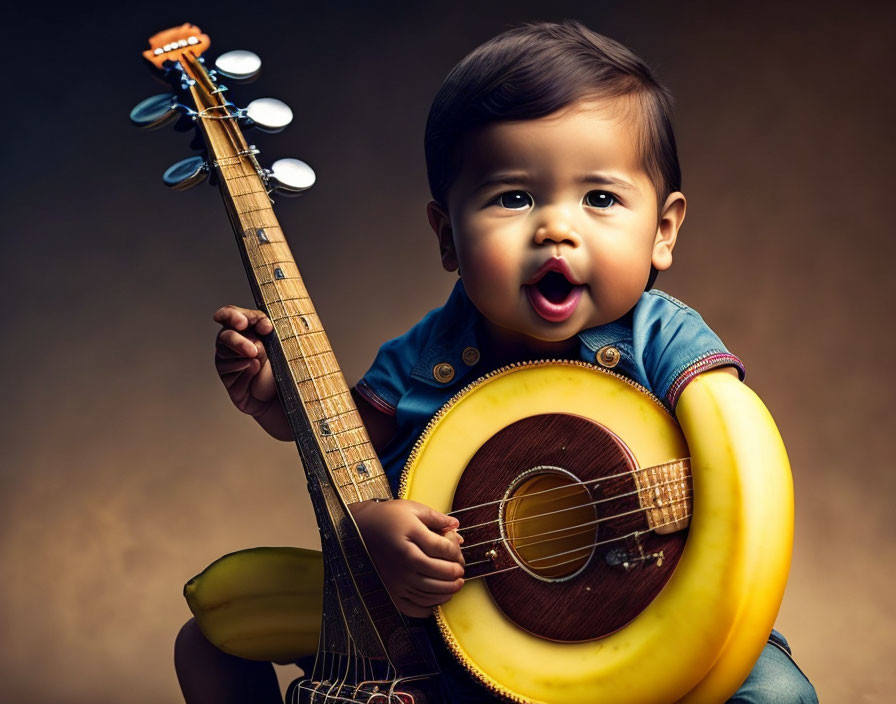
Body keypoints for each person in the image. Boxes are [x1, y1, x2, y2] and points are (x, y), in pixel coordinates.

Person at [176, 20, 818, 704]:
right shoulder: (428, 355)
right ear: (448, 238)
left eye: (599, 198)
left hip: (648, 625)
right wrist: (289, 413)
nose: (556, 229)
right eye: (514, 198)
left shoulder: (665, 343)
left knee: (777, 697)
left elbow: (742, 460)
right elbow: (346, 450)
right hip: (463, 643)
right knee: (206, 638)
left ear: (662, 232)